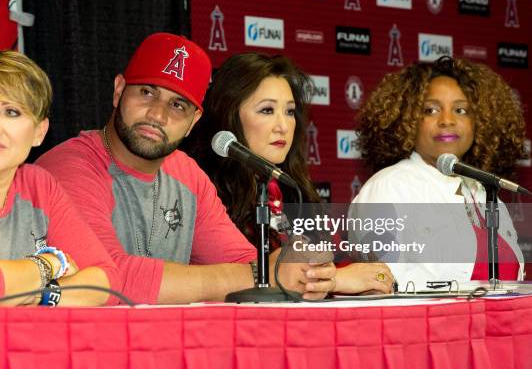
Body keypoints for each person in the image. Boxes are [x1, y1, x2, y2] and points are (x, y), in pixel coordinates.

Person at [36, 33, 336, 304]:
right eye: (147, 92)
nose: (157, 114)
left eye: (178, 105)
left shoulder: (186, 174)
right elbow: (109, 281)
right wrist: (265, 275)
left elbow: (245, 261)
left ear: (194, 121)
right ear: (119, 91)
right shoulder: (69, 167)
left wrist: (307, 272)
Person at [0, 50, 121, 306]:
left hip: (7, 344)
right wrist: (51, 262)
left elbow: (108, 282)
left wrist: (36, 295)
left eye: (11, 112)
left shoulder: (40, 185)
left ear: (39, 132)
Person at [184, 52, 395, 295]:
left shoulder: (292, 190)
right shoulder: (204, 192)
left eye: (290, 112)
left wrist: (370, 279)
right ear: (229, 116)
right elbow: (256, 277)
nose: (283, 126)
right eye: (266, 110)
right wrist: (336, 280)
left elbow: (340, 262)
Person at [351, 56, 526, 288]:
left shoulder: (484, 192)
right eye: (431, 110)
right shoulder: (389, 187)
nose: (447, 120)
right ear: (408, 120)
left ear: (480, 122)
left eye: (461, 110)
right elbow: (378, 290)